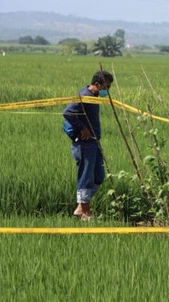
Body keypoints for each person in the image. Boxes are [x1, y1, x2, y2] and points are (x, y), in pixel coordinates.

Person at [62, 70, 114, 220]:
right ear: (97, 84)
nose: (107, 91)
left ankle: (80, 208)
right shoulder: (85, 95)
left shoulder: (94, 96)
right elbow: (68, 112)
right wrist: (82, 128)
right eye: (106, 87)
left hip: (94, 142)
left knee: (98, 177)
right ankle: (85, 212)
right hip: (84, 144)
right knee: (86, 177)